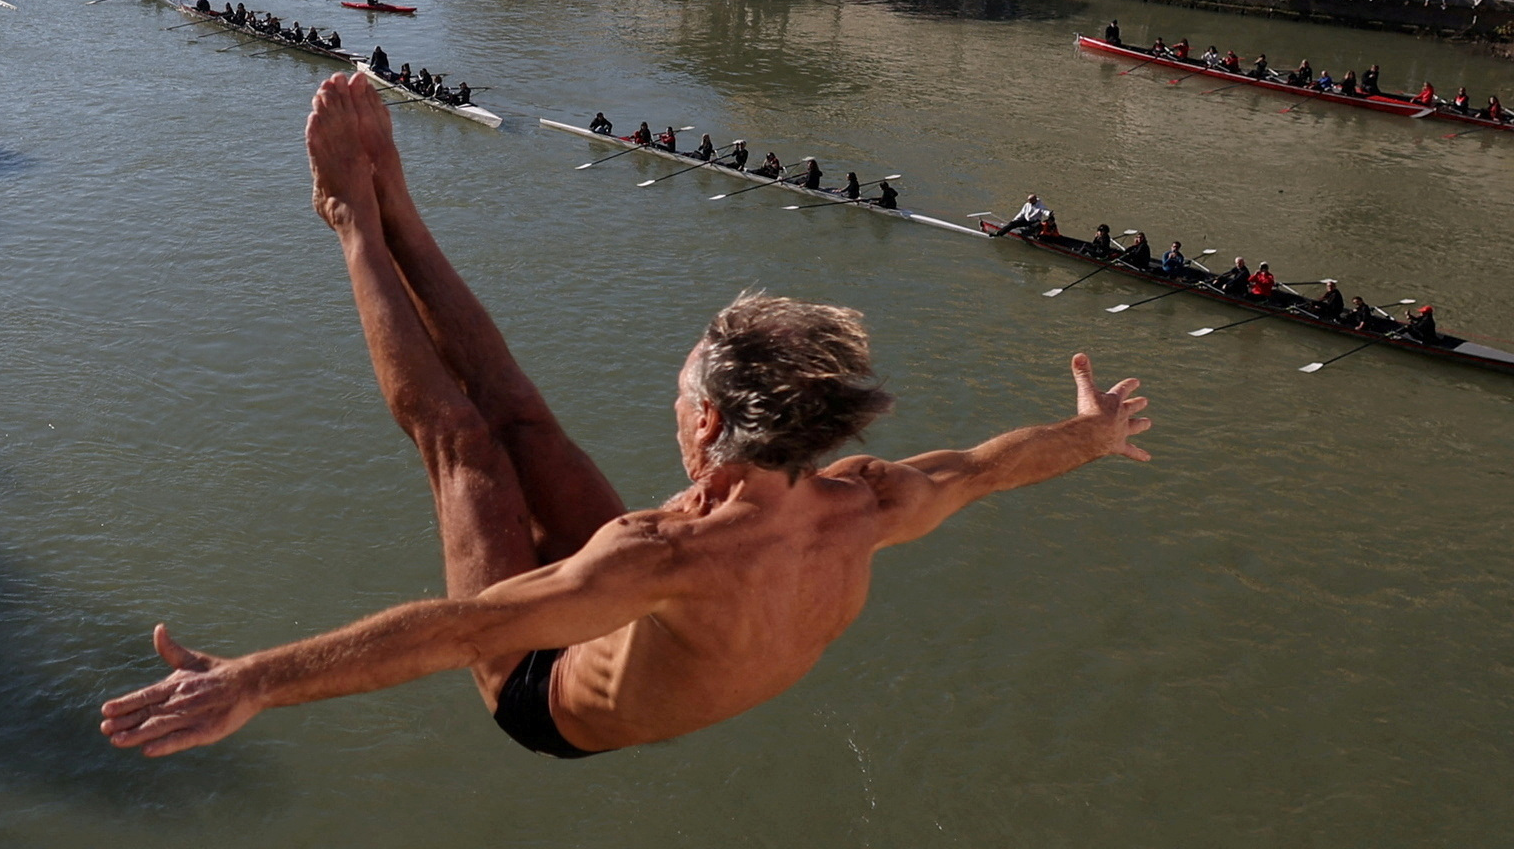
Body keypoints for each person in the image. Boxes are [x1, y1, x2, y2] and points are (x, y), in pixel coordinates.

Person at [99, 73, 1153, 760]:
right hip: (661, 626)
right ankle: (403, 211)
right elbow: (987, 466)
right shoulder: (871, 498)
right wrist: (1092, 434)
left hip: (542, 693)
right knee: (527, 421)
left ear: (706, 429)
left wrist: (252, 681)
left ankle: (349, 222)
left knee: (464, 445)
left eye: (680, 383)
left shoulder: (659, 554)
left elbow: (458, 632)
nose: (676, 392)